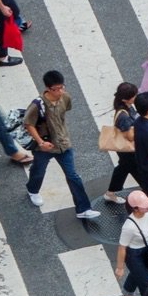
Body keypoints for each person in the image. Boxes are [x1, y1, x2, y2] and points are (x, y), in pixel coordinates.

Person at [21, 70, 103, 218]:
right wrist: (40, 142)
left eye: (61, 87)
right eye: (55, 89)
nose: (59, 92)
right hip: (44, 147)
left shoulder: (66, 98)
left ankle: (83, 209)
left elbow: (63, 114)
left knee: (73, 176)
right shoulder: (38, 105)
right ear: (47, 88)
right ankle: (32, 189)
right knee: (39, 171)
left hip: (64, 144)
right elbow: (28, 124)